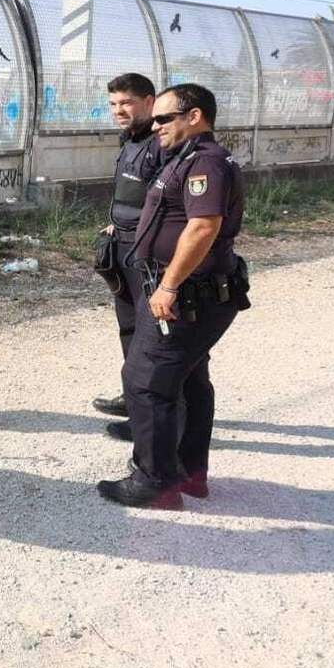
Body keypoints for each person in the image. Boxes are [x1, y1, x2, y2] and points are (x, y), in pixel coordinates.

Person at [99, 82, 249, 510]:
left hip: (187, 293)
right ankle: (189, 473)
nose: (157, 125)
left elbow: (203, 227)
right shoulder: (185, 158)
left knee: (145, 381)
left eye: (165, 118)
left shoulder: (206, 163)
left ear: (195, 116)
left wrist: (168, 285)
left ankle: (156, 482)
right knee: (190, 379)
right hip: (192, 292)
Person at [92, 73, 171, 421]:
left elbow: (166, 200)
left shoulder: (162, 142)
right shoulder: (130, 140)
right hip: (121, 245)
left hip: (147, 253)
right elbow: (132, 191)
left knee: (152, 334)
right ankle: (134, 397)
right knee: (129, 327)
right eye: (113, 104)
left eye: (126, 102)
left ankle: (156, 406)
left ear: (149, 102)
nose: (118, 110)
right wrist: (117, 223)